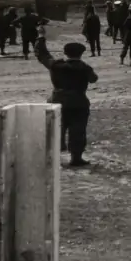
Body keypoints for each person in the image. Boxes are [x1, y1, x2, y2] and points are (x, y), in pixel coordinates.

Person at [35, 36, 98, 167]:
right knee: (78, 130)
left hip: (58, 100)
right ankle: (76, 157)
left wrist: (41, 38)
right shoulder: (84, 68)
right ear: (81, 53)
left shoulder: (56, 66)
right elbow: (93, 79)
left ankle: (53, 157)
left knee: (57, 130)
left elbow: (42, 55)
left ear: (65, 53)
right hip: (78, 101)